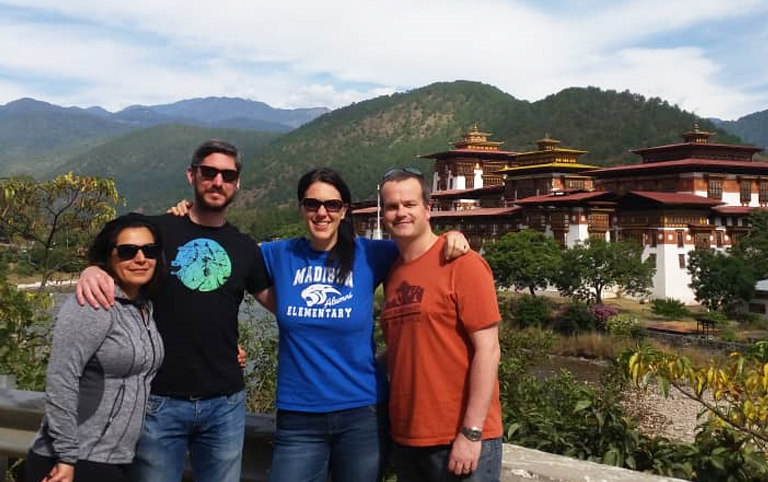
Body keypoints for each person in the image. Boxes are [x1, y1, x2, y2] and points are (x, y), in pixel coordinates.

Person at [169, 167, 470, 482]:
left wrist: (451, 235)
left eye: (332, 205)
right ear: (301, 208)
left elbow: (420, 245)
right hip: (299, 416)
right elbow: (219, 267)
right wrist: (186, 222)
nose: (322, 212)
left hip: (362, 412)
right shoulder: (278, 253)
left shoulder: (371, 253)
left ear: (344, 210)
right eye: (312, 204)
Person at [75, 140, 271, 482]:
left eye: (228, 175)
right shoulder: (158, 232)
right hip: (158, 401)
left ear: (237, 183)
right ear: (191, 175)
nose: (217, 181)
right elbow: (110, 253)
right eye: (208, 172)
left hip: (225, 403)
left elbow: (282, 306)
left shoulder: (245, 248)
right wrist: (93, 269)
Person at [378, 168, 503, 482]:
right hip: (408, 439)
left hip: (458, 438)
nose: (401, 212)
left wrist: (471, 434)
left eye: (409, 204)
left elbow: (488, 350)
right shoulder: (393, 273)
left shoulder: (462, 264)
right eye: (392, 206)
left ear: (428, 209)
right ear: (383, 215)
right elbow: (404, 348)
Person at [26, 213, 166, 482]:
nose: (140, 258)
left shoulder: (144, 306)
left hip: (117, 459)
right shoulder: (93, 304)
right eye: (127, 251)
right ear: (108, 256)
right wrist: (66, 457)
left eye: (150, 250)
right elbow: (61, 379)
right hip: (75, 460)